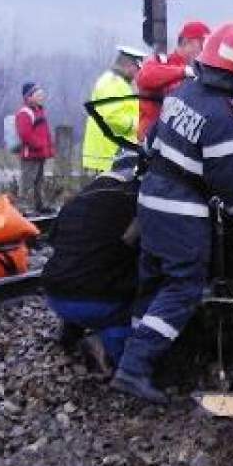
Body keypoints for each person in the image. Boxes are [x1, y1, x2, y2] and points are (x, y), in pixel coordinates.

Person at [113, 22, 233, 404]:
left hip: (151, 202)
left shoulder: (184, 92)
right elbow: (227, 184)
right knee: (183, 287)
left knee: (151, 283)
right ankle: (134, 369)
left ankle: (149, 361)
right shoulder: (221, 118)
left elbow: (152, 141)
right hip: (182, 213)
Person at [42, 152, 140, 373]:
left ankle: (71, 328)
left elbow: (56, 244)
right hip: (97, 302)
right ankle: (107, 346)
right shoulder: (134, 200)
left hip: (55, 295)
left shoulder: (77, 199)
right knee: (151, 298)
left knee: (84, 264)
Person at [136, 20, 210, 139]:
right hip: (152, 142)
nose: (204, 51)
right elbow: (144, 77)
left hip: (179, 145)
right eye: (202, 44)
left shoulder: (201, 75)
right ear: (186, 42)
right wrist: (183, 72)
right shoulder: (162, 62)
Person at [82, 46, 145, 174]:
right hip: (107, 154)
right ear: (128, 65)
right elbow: (112, 117)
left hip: (110, 153)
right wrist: (139, 126)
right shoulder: (113, 83)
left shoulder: (118, 82)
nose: (138, 72)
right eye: (137, 67)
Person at [14, 82, 54, 213]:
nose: (41, 96)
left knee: (39, 181)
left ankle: (39, 205)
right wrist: (39, 145)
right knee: (27, 182)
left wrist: (49, 148)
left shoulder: (40, 112)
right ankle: (23, 208)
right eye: (38, 94)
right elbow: (25, 134)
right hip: (30, 155)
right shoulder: (24, 113)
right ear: (28, 97)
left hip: (41, 154)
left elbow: (46, 133)